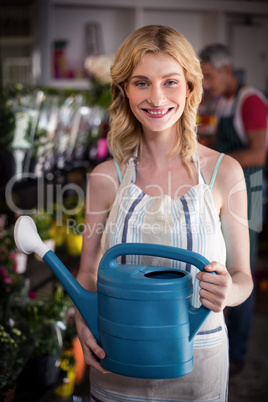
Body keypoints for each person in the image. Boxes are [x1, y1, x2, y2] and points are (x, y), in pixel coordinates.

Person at [75, 25, 253, 401]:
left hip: (199, 366)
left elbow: (243, 278)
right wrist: (82, 320)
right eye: (141, 82)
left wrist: (229, 291)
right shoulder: (106, 178)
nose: (156, 97)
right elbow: (89, 272)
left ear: (190, 87)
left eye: (170, 82)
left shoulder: (225, 173)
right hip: (117, 363)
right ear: (123, 90)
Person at [199, 43, 268, 376]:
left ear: (226, 70)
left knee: (242, 272)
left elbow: (258, 153)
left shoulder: (250, 100)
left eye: (209, 77)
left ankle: (238, 352)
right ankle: (221, 337)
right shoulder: (225, 102)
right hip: (226, 190)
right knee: (220, 266)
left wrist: (218, 165)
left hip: (249, 193)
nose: (207, 85)